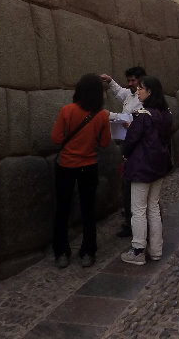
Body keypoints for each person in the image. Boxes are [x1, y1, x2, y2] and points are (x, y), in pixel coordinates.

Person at [51, 73, 111, 269]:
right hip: (88, 166)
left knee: (62, 209)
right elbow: (104, 143)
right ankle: (88, 251)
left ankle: (61, 253)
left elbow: (57, 138)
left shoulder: (67, 111)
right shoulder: (102, 115)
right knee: (88, 210)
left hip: (66, 166)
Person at [120, 75, 173, 265]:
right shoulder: (166, 114)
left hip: (142, 167)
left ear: (150, 92)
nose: (138, 91)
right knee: (153, 208)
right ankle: (156, 249)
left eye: (141, 88)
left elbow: (131, 140)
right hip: (159, 166)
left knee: (138, 209)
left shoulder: (144, 116)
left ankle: (138, 250)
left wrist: (125, 153)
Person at [100, 66, 146, 238]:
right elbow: (121, 92)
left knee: (133, 187)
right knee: (128, 185)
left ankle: (135, 226)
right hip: (129, 146)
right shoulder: (131, 94)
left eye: (133, 80)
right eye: (129, 81)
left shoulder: (143, 100)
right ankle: (131, 219)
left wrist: (109, 115)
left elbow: (131, 119)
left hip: (138, 149)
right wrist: (110, 81)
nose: (131, 84)